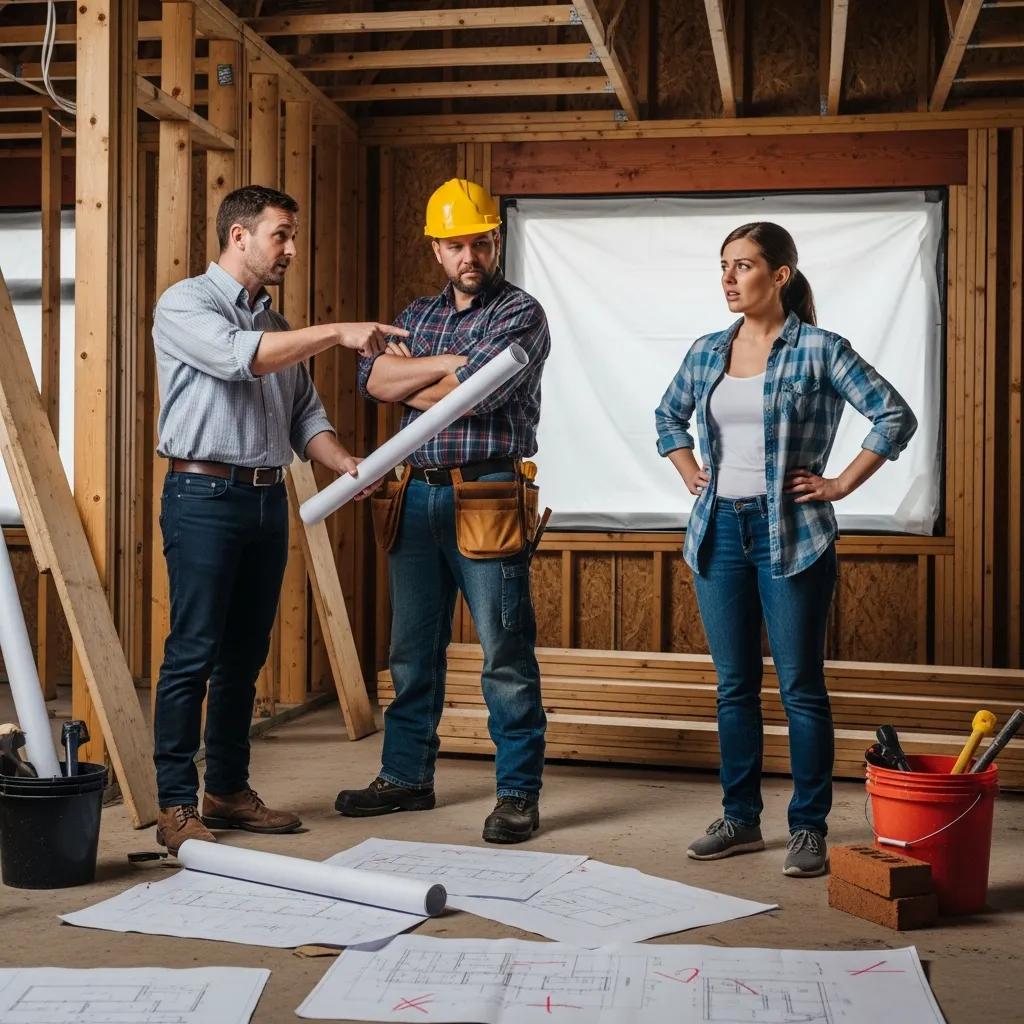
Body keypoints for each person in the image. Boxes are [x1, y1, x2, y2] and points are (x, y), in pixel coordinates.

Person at [655, 222, 917, 877]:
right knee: (734, 689)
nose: (728, 278)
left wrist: (839, 484)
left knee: (801, 690)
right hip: (719, 535)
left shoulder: (822, 350)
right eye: (723, 266)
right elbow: (667, 417)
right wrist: (687, 469)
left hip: (794, 539)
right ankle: (740, 820)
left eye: (743, 266)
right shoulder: (707, 350)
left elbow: (894, 415)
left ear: (780, 276)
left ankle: (808, 829)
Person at [152, 184, 403, 854]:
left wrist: (344, 462)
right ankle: (174, 804)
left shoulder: (275, 323)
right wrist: (338, 331)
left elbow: (303, 419)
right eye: (280, 235)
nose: (291, 248)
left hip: (266, 499)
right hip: (202, 497)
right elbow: (241, 359)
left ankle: (227, 791)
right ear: (239, 236)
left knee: (244, 657)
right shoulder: (187, 304)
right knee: (193, 652)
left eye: (292, 236)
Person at [335, 178, 550, 844]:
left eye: (480, 241)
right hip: (415, 494)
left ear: (496, 239)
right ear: (436, 248)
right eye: (456, 244)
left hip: (487, 493)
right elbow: (371, 381)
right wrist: (451, 369)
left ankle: (516, 794)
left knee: (503, 654)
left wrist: (423, 376)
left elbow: (473, 397)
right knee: (411, 653)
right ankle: (406, 778)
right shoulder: (417, 314)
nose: (470, 255)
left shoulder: (521, 315)